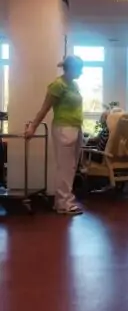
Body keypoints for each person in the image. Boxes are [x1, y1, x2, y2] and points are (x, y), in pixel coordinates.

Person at [24, 55, 84, 215]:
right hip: (63, 128)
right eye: (80, 69)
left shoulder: (74, 85)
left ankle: (63, 201)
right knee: (65, 166)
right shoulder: (58, 85)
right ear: (71, 68)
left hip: (76, 127)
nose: (81, 72)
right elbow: (44, 108)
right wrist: (33, 127)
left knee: (71, 167)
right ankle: (64, 203)